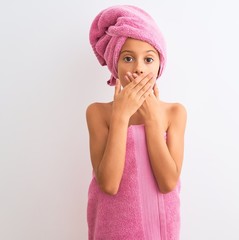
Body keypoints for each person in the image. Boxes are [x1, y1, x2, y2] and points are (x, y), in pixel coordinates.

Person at [86, 5, 186, 240]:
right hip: (114, 231)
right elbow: (108, 184)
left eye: (148, 59)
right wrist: (120, 116)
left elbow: (168, 182)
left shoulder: (174, 113)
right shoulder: (98, 113)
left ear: (159, 65)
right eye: (128, 58)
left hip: (161, 231)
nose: (139, 68)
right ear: (115, 64)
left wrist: (153, 119)